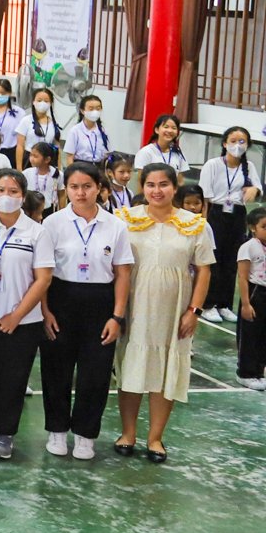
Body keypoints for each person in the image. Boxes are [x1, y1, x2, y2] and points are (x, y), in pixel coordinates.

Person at [115, 164, 215, 463]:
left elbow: (204, 270)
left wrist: (194, 310)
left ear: (175, 187)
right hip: (134, 307)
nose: (156, 190)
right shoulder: (124, 221)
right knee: (131, 367)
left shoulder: (194, 225)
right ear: (142, 187)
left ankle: (156, 437)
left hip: (175, 311)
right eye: (150, 185)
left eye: (163, 184)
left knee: (167, 371)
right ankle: (128, 432)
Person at [39, 163, 132, 461]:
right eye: (74, 187)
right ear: (66, 189)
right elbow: (41, 272)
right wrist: (45, 310)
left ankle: (85, 435)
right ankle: (56, 430)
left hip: (99, 302)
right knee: (56, 370)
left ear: (99, 189)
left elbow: (122, 274)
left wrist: (116, 316)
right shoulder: (52, 223)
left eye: (87, 186)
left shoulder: (116, 226)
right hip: (60, 299)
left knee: (95, 373)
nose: (80, 193)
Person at [0, 170, 53, 461]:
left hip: (23, 321)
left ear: (23, 196)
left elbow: (42, 279)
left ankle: (6, 433)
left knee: (13, 378)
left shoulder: (36, 232)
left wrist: (16, 316)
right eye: (2, 190)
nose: (7, 196)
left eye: (14, 191)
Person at [198, 128, 259, 324]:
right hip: (215, 213)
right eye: (233, 140)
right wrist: (203, 224)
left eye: (242, 141)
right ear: (224, 143)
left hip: (237, 215)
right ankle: (208, 305)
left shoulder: (248, 166)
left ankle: (224, 304)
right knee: (213, 259)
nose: (237, 145)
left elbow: (257, 188)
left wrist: (254, 190)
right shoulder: (213, 165)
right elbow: (204, 197)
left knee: (232, 260)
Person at [234, 208, 266, 391]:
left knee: (263, 335)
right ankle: (245, 373)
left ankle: (259, 371)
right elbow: (243, 277)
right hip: (255, 294)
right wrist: (245, 304)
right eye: (264, 227)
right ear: (253, 228)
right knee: (250, 335)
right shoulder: (248, 247)